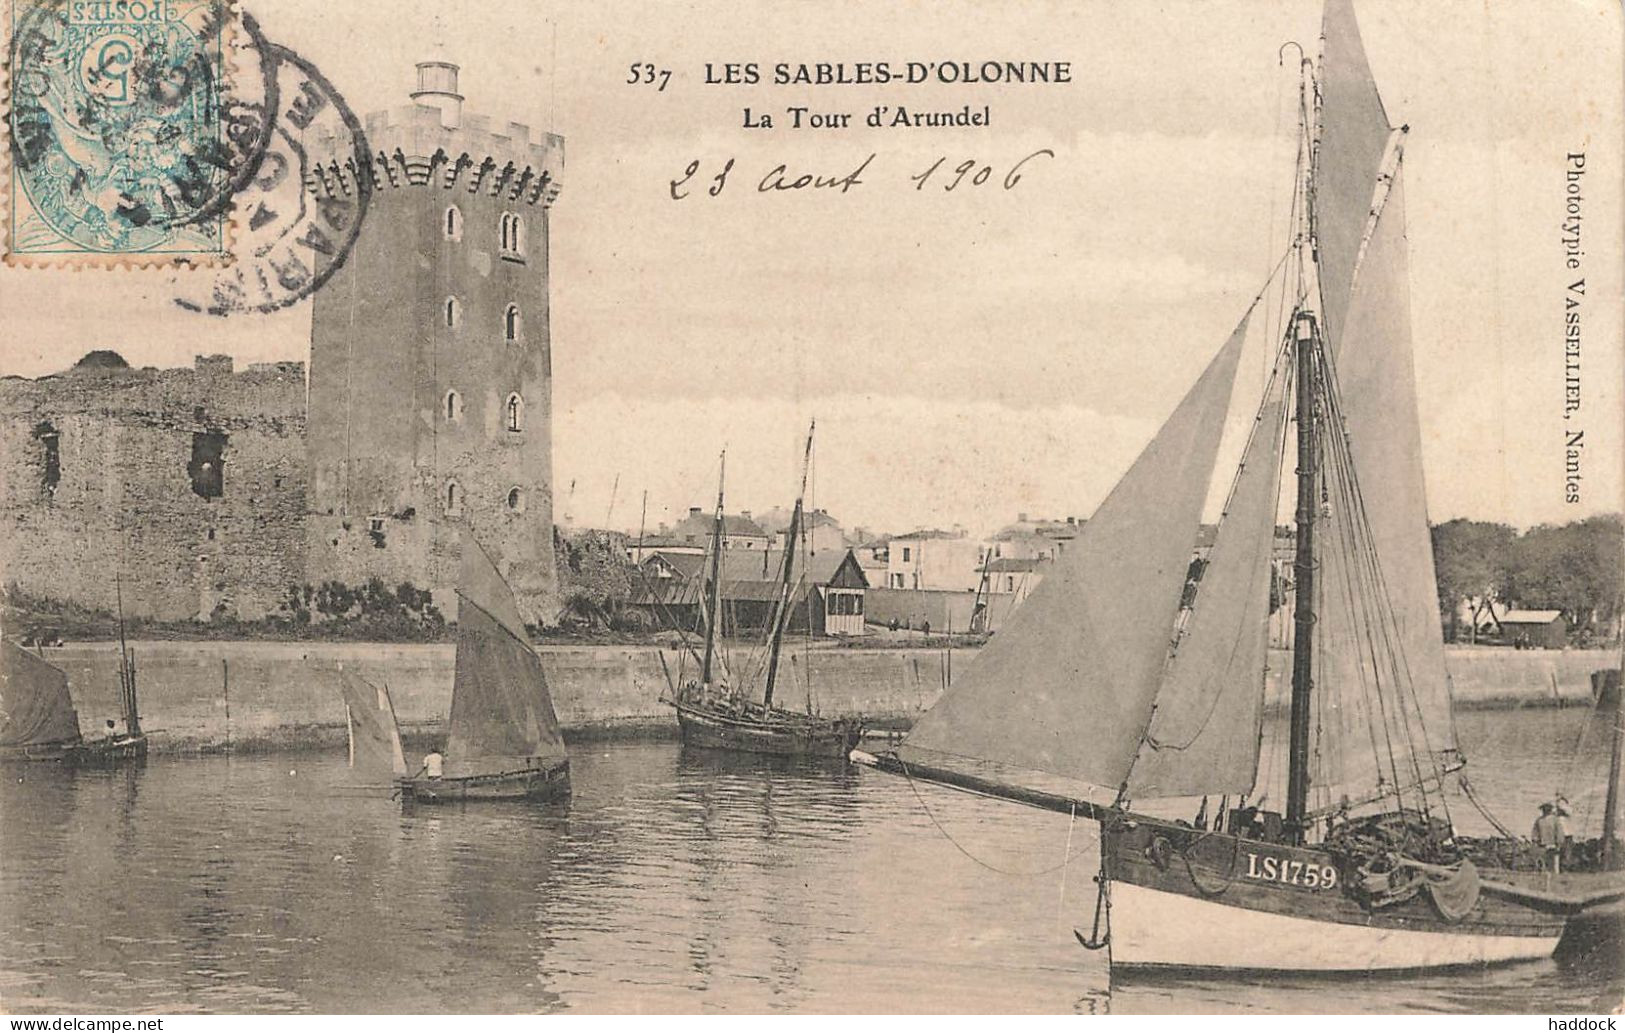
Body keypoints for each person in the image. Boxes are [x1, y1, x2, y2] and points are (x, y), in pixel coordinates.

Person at [1532, 802, 1564, 873]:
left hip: (1552, 844)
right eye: (1544, 809)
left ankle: (1555, 875)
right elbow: (1535, 831)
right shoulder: (1539, 820)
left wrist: (1559, 843)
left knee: (1553, 862)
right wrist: (1535, 840)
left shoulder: (1555, 820)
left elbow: (1559, 832)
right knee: (1542, 861)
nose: (1545, 810)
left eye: (1547, 809)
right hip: (1542, 844)